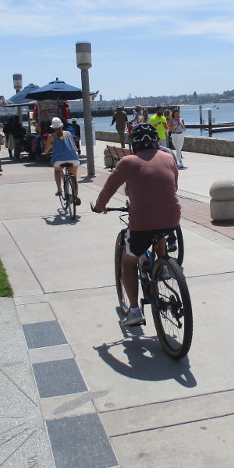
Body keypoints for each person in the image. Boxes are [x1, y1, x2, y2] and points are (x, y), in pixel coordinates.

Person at [93, 123, 181, 327]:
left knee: (129, 261)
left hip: (142, 221)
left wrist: (99, 206)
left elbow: (108, 189)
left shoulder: (127, 162)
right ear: (156, 141)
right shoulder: (169, 157)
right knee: (159, 232)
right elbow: (174, 186)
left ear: (134, 144)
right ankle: (162, 266)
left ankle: (134, 311)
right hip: (171, 219)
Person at [43, 117, 81, 204]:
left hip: (59, 160)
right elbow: (74, 146)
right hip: (72, 158)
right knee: (73, 177)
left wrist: (45, 153)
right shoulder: (68, 133)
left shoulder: (51, 136)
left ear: (53, 127)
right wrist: (76, 150)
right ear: (62, 125)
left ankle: (59, 190)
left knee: (57, 171)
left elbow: (48, 148)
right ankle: (76, 195)